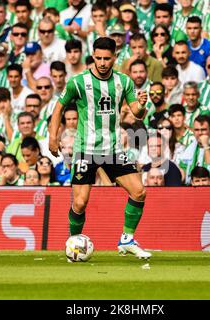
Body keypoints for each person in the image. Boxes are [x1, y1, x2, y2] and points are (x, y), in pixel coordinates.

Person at [49, 37, 151, 259]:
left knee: (139, 191)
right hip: (85, 149)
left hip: (113, 150)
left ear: (115, 57)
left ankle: (126, 239)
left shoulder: (124, 82)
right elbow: (58, 109)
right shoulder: (78, 82)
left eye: (107, 58)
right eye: (99, 58)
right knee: (80, 201)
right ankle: (72, 243)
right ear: (93, 56)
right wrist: (52, 137)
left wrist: (141, 104)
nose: (103, 63)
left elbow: (137, 112)